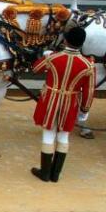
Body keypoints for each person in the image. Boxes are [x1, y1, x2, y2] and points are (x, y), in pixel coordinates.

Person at [30, 27, 95, 183]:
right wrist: (84, 109)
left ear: (65, 40)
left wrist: (45, 56)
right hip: (71, 102)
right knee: (64, 136)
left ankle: (44, 173)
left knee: (48, 133)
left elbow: (35, 69)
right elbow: (89, 90)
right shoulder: (88, 64)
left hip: (50, 99)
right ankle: (55, 174)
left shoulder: (53, 57)